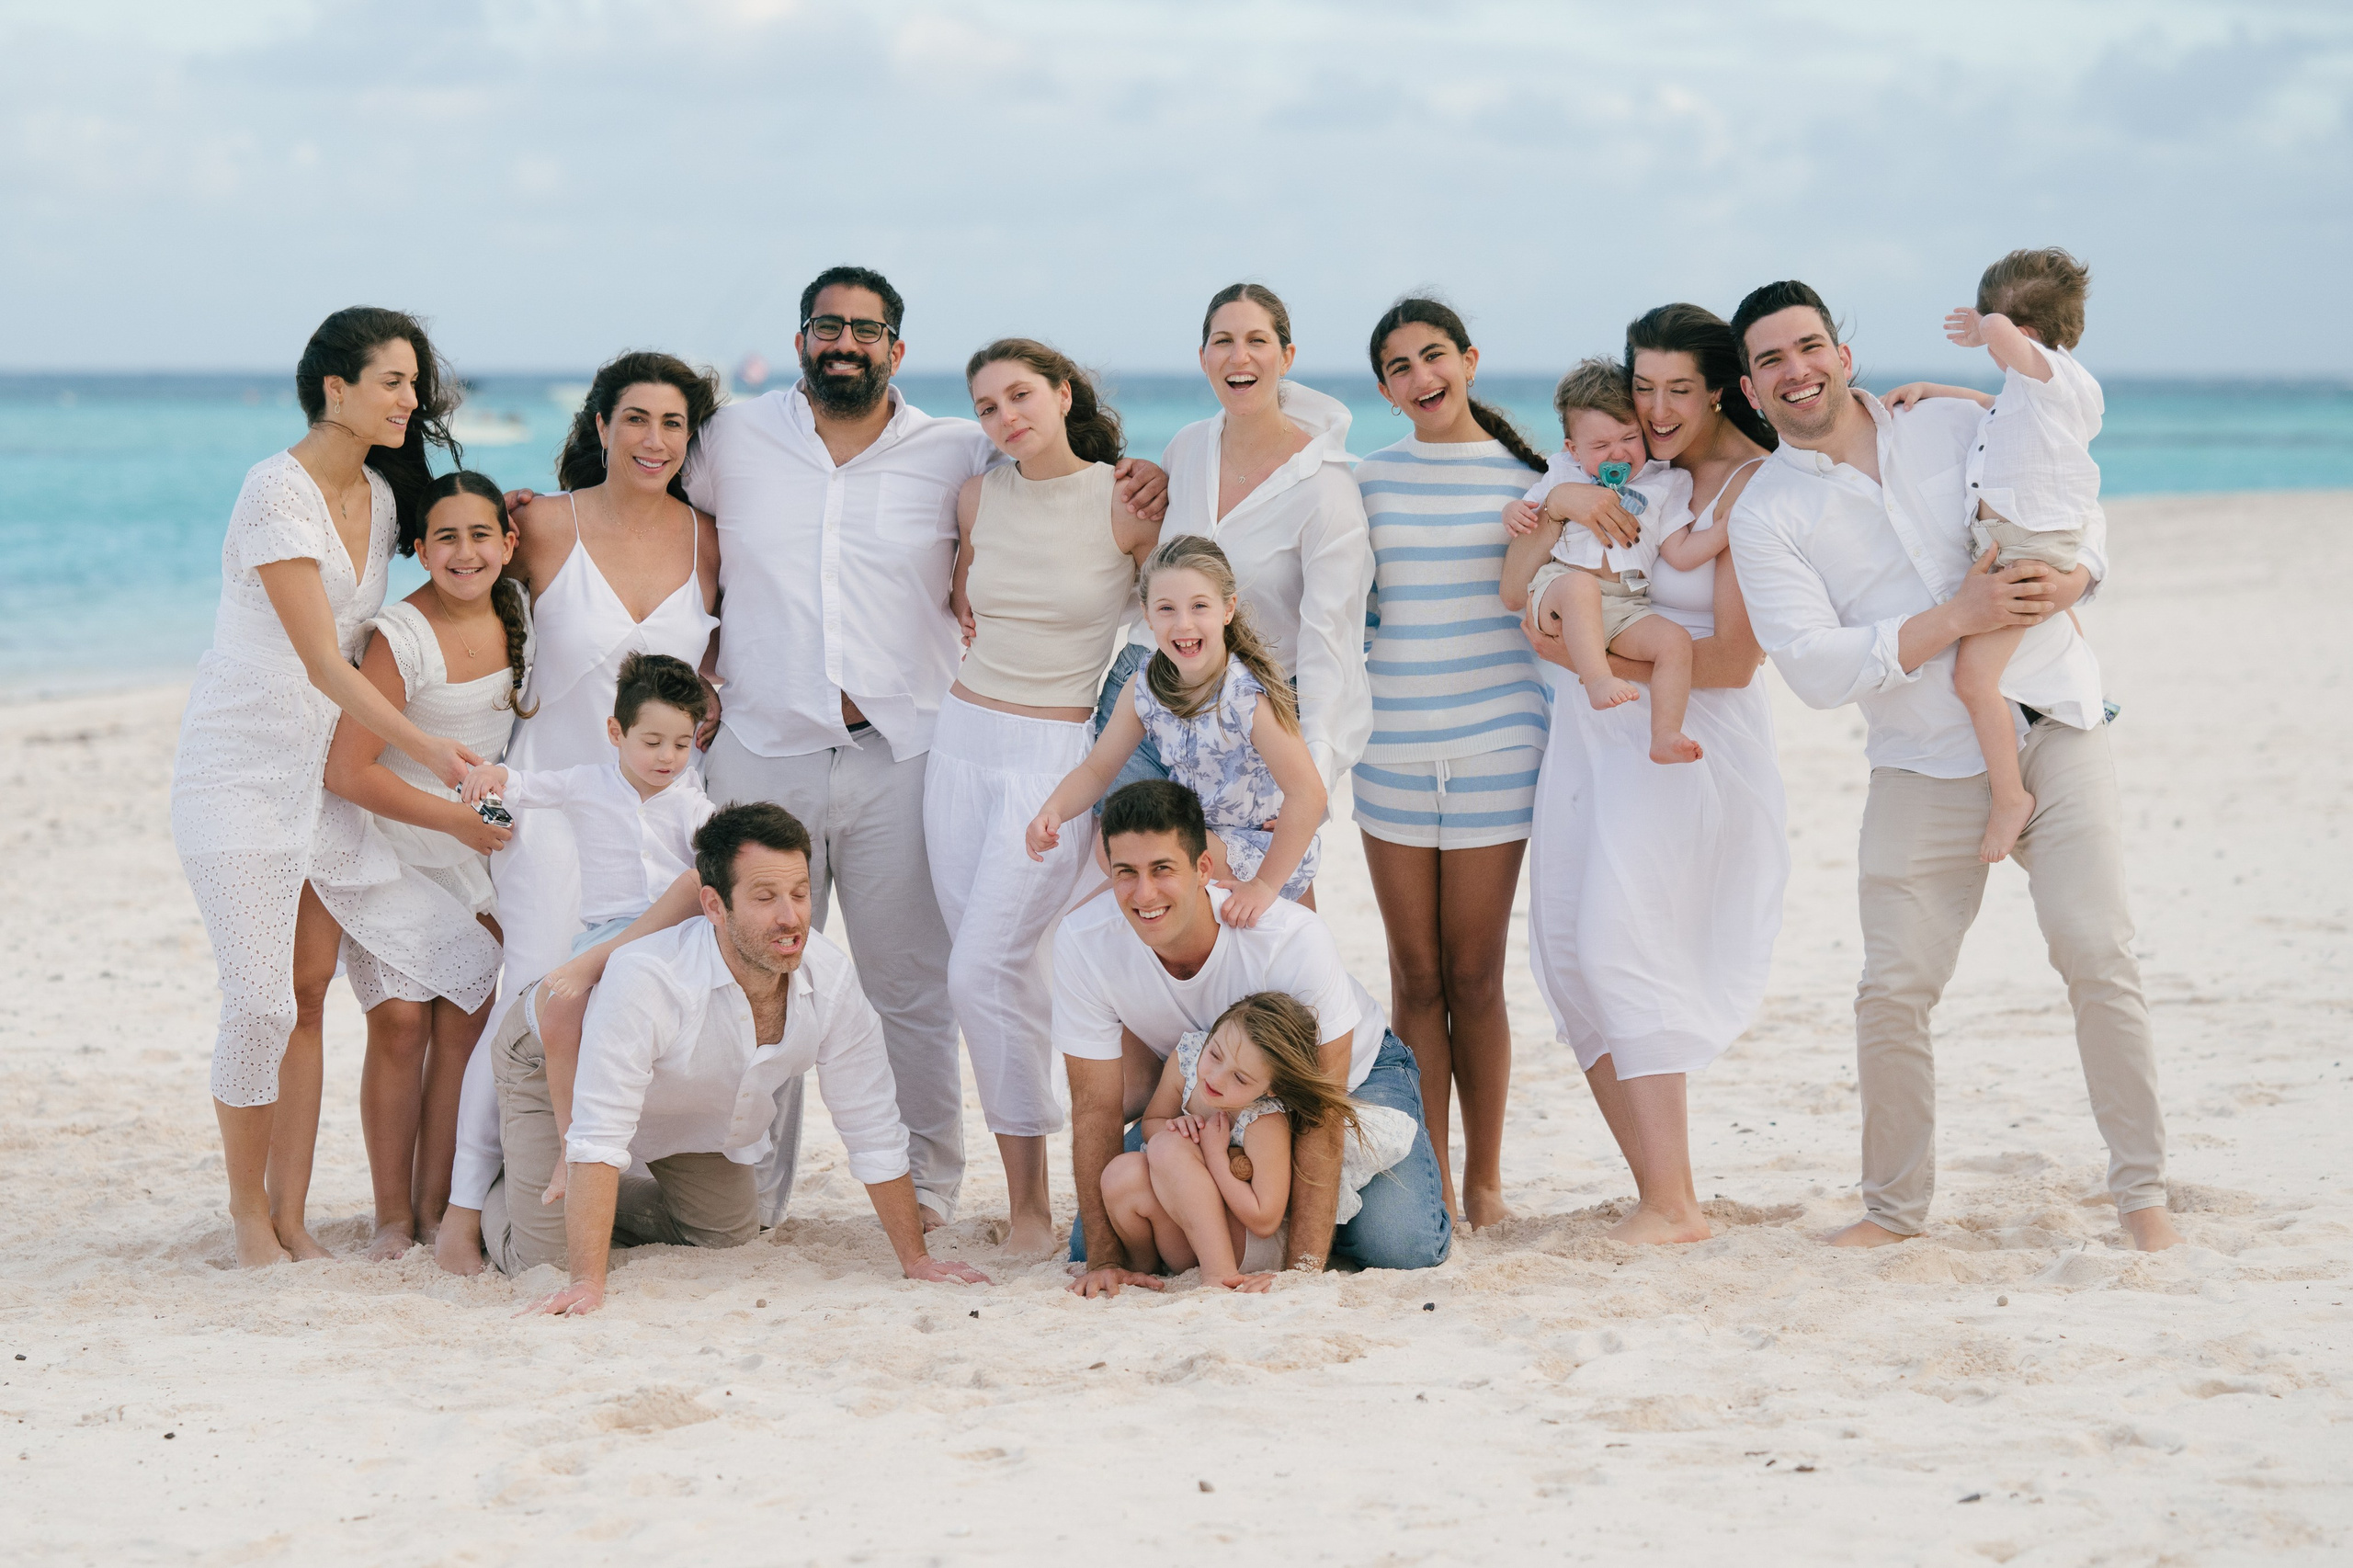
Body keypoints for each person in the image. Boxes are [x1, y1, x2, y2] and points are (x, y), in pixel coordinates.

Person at [681, 266, 1167, 1233]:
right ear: (802, 340)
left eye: (867, 329)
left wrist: (1145, 472)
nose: (845, 342)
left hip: (904, 751)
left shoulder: (955, 451)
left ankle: (932, 1185)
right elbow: (662, 511)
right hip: (759, 744)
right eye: (828, 325)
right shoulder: (732, 438)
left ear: (897, 350)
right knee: (747, 970)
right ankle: (753, 1195)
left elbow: (1059, 505)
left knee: (912, 981)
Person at [1724, 278, 2180, 1252]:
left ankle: (2142, 1198)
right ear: (1751, 388)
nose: (1794, 369)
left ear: (1842, 356)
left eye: (1808, 346)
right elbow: (1810, 666)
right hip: (1922, 764)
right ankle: (1892, 1212)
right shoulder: (1766, 513)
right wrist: (1953, 622)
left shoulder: (1937, 422)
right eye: (1770, 360)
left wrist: (2081, 573)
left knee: (2097, 953)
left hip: (2053, 716)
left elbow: (2061, 469)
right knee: (1892, 988)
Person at [170, 306, 489, 1267]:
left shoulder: (385, 499)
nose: (410, 399)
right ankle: (245, 1216)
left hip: (321, 785)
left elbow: (450, 555)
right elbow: (322, 661)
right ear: (334, 387)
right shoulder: (275, 493)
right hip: (238, 775)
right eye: (392, 381)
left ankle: (295, 1215)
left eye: (414, 383)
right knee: (262, 1001)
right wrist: (430, 752)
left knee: (318, 991)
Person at [1501, 304, 1789, 1244]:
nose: (1657, 409)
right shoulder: (1620, 476)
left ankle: (1673, 1200)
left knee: (1623, 940)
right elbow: (1518, 594)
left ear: (1720, 387)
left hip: (1680, 740)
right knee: (1567, 954)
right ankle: (1661, 1190)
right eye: (1643, 388)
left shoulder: (1748, 489)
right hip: (1590, 742)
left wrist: (1593, 660)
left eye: (1678, 388)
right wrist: (1553, 507)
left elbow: (1738, 661)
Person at [440, 351, 723, 1275]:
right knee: (532, 985)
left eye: (673, 423)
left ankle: (603, 1178)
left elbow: (712, 681)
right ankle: (455, 1212)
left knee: (642, 992)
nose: (653, 439)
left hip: (660, 814)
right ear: (599, 424)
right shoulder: (542, 525)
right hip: (552, 806)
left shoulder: (707, 539)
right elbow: (456, 582)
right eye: (634, 418)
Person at [492, 803, 994, 1308]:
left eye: (800, 894)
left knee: (725, 1237)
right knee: (545, 1262)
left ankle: (595, 1198)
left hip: (688, 1096)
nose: (790, 916)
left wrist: (917, 1261)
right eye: (764, 897)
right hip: (557, 1059)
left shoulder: (831, 978)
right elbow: (598, 1134)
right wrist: (588, 1284)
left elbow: (873, 1125)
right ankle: (502, 1191)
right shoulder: (647, 979)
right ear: (714, 906)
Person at [920, 337, 1157, 1255]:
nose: (1004, 416)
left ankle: (1041, 1202)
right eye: (985, 406)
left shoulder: (1128, 500)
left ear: (1063, 395)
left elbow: (1186, 609)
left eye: (1020, 395)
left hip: (1051, 757)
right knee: (999, 977)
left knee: (977, 972)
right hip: (958, 745)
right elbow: (963, 600)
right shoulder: (977, 494)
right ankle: (1026, 1201)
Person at [1055, 781, 1451, 1298]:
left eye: (1162, 869)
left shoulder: (1287, 938)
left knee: (1400, 1246)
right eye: (1124, 873)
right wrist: (1106, 1261)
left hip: (1343, 1081)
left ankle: (1299, 1212)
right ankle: (1268, 1203)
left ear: (1203, 870)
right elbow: (1094, 1108)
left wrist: (1301, 1272)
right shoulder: (1084, 943)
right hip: (1212, 1099)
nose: (1143, 894)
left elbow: (1322, 1110)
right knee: (1093, 1242)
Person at [1349, 298, 1551, 1229]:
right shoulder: (1364, 480)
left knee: (1475, 975)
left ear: (1467, 361)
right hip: (1389, 744)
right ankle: (1425, 1182)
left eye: (1434, 356)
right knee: (1413, 976)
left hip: (1498, 741)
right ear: (1385, 390)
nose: (1420, 376)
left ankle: (1486, 1184)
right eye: (1398, 367)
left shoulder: (1535, 477)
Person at [319, 472, 533, 1261]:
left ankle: (441, 1206)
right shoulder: (398, 637)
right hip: (390, 841)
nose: (464, 552)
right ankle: (389, 1219)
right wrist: (458, 822)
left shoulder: (522, 620)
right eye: (444, 536)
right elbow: (349, 770)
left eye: (481, 534)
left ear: (508, 546)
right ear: (418, 549)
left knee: (466, 1027)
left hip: (473, 856)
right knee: (402, 1025)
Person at [1095, 283, 1372, 801]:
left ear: (1286, 356)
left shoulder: (1325, 486)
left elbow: (1328, 638)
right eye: (1223, 341)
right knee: (1133, 873)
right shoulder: (1187, 446)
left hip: (1253, 713)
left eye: (1257, 341)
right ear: (1203, 359)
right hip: (1145, 687)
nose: (1238, 357)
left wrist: (1312, 769)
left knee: (1255, 877)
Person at [461, 652, 717, 1206]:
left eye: (680, 743)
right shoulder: (588, 783)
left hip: (675, 933)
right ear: (615, 732)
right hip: (604, 936)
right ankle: (568, 1145)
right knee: (559, 1011)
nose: (667, 757)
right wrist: (489, 775)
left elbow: (720, 849)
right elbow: (521, 786)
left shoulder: (692, 803)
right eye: (651, 742)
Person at [1882, 248, 2107, 864]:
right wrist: (1936, 389)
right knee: (2048, 627)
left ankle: (2010, 797)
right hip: (2022, 541)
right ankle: (2087, 683)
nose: (1988, 342)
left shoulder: (2059, 379)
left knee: (1974, 680)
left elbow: (2007, 342)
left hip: (2024, 546)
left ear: (2023, 334)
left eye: (1995, 332)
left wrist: (1989, 324)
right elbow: (1993, 405)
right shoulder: (2037, 395)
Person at [1029, 535, 1326, 924]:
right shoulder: (1145, 686)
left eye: (1199, 606)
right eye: (1166, 609)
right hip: (1196, 837)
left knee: (1160, 854)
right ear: (1147, 615)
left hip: (1256, 847)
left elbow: (1308, 792)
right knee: (1107, 863)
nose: (1183, 624)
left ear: (1227, 609)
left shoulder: (1244, 696)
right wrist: (1053, 810)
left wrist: (1265, 886)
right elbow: (1098, 770)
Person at [1104, 992, 1415, 1291]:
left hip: (1247, 1241)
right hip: (1195, 1226)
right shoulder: (1188, 1061)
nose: (1216, 1078)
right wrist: (1174, 1125)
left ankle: (1220, 1276)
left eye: (1240, 1078)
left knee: (1168, 1148)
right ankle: (1143, 1269)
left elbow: (1265, 1219)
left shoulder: (1263, 1120)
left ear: (1271, 1089)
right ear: (1212, 1035)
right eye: (1215, 1055)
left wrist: (1214, 1158)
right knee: (1122, 1173)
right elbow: (1152, 1122)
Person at [1505, 359, 1704, 765]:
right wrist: (1512, 510)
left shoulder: (1665, 482)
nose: (1618, 453)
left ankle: (1664, 733)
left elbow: (1680, 551)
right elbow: (1531, 508)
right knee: (1579, 588)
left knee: (1675, 642)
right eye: (1600, 447)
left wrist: (1725, 530)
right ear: (1573, 448)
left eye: (1629, 437)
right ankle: (1596, 679)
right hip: (1560, 588)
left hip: (1625, 603)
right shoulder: (1563, 473)